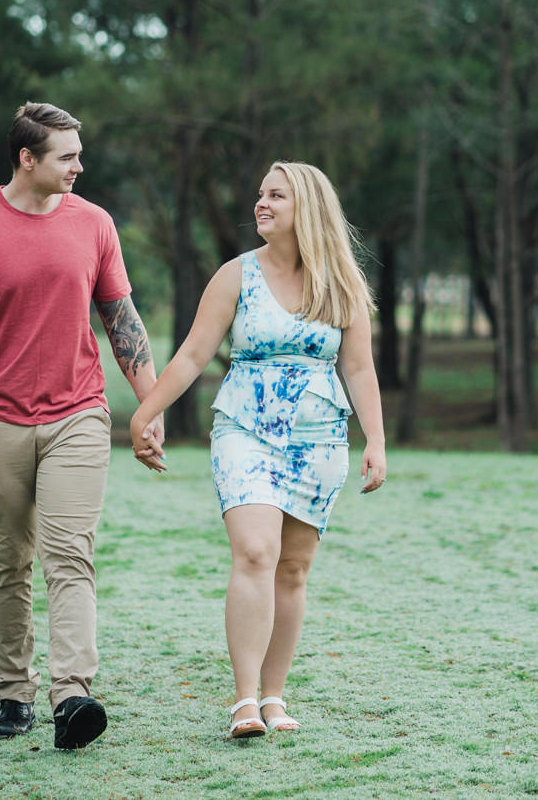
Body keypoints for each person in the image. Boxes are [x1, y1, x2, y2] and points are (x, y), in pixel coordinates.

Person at [0, 101, 164, 751]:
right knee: (8, 561)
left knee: (69, 554)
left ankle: (72, 694)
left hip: (78, 415)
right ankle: (11, 692)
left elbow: (121, 316)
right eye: (67, 155)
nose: (80, 165)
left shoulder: (94, 224)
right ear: (27, 158)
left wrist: (150, 403)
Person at [128, 161, 387, 739]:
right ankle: (244, 701)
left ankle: (274, 697)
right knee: (254, 551)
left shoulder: (340, 281)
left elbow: (359, 365)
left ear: (309, 209)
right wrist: (148, 410)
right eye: (259, 194)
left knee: (292, 568)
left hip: (319, 438)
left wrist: (376, 438)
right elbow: (194, 354)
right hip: (244, 428)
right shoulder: (235, 275)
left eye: (276, 195)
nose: (260, 204)